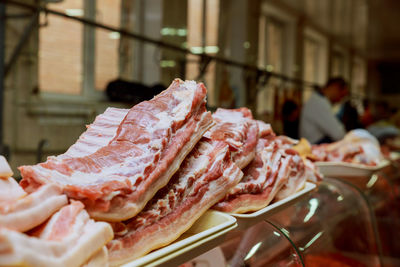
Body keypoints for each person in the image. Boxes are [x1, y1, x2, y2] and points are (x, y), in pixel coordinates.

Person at [299, 77, 348, 144]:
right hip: (313, 147)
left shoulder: (318, 100)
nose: (340, 100)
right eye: (341, 95)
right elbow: (339, 134)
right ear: (334, 87)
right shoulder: (318, 103)